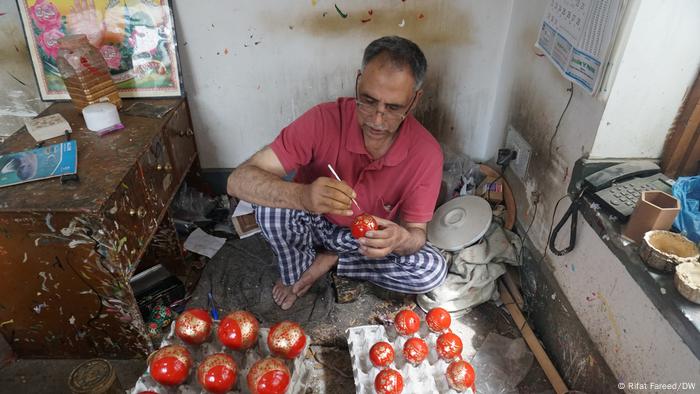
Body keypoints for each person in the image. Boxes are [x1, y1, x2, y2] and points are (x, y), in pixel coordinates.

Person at [227, 36, 447, 310]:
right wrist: (303, 195)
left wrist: (401, 240)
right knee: (269, 208)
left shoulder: (426, 153)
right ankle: (305, 268)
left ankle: (329, 261)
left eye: (393, 108)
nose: (377, 120)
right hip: (313, 224)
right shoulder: (323, 120)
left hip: (363, 240)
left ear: (414, 101)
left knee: (432, 270)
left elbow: (417, 234)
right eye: (368, 100)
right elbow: (237, 180)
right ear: (357, 82)